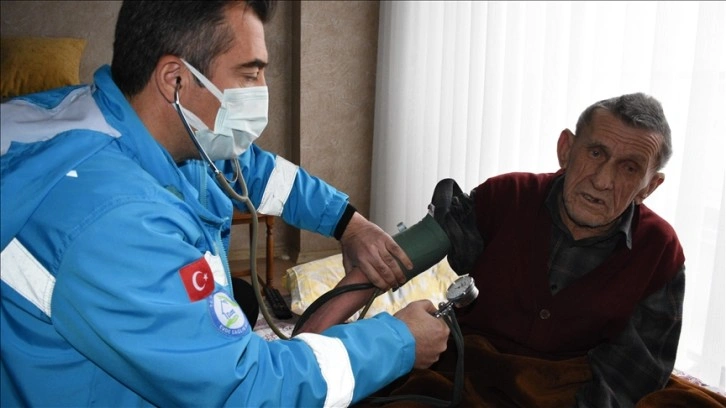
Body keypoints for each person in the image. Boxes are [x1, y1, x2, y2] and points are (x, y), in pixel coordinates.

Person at [0, 1, 450, 406]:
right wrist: (399, 341)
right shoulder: (113, 222)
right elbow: (247, 388)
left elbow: (257, 171)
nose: (262, 89)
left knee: (243, 301)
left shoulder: (111, 117)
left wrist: (347, 223)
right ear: (176, 79)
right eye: (250, 74)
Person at [302, 93, 725, 407]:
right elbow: (397, 259)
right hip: (467, 373)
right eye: (596, 153)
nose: (602, 181)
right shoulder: (507, 196)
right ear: (566, 149)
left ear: (650, 186)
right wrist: (312, 336)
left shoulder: (660, 251)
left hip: (570, 391)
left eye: (629, 168)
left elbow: (630, 376)